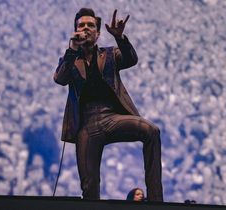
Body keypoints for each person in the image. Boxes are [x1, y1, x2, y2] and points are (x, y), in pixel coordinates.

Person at [53, 8, 163, 202]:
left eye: (90, 25)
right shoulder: (70, 60)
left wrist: (120, 38)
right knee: (89, 186)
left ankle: (156, 201)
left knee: (151, 131)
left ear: (98, 33)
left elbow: (131, 59)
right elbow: (60, 79)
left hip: (112, 117)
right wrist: (72, 49)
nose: (86, 28)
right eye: (81, 25)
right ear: (75, 30)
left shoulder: (110, 54)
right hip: (86, 125)